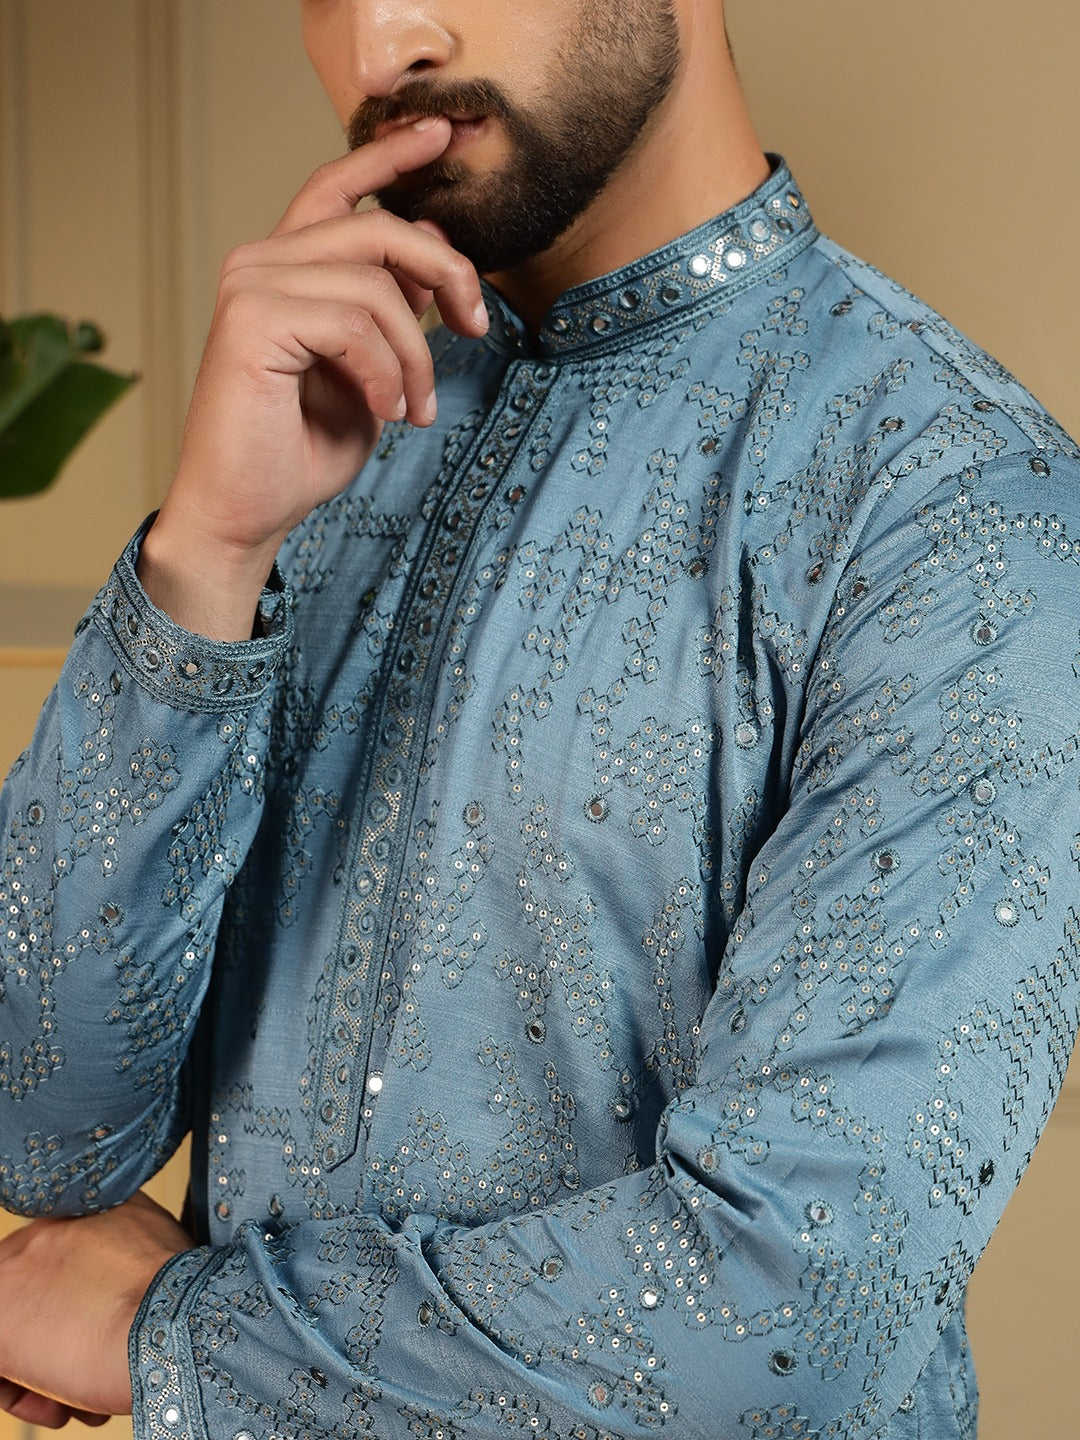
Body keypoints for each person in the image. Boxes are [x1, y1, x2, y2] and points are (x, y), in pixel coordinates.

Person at [1, 1, 1078, 1436]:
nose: (378, 42)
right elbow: (46, 1129)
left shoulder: (962, 512)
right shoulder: (320, 423)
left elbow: (794, 1326)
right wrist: (205, 555)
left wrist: (164, 1330)